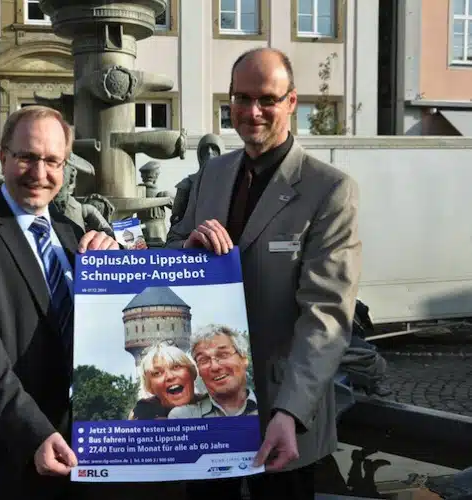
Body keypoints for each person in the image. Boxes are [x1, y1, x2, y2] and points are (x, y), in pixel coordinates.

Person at [166, 48, 361, 500]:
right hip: (210, 416)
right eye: (242, 97)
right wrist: (186, 249)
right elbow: (172, 249)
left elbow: (327, 317)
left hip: (285, 416)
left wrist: (291, 412)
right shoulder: (211, 175)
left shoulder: (328, 190)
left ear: (292, 102)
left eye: (267, 99)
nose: (253, 111)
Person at [0, 105, 119, 500]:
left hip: (80, 446)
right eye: (27, 158)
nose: (39, 174)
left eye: (52, 161)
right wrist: (35, 431)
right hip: (8, 453)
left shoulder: (73, 235)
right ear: (3, 157)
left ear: (65, 167)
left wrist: (115, 266)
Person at [168, 325, 257, 419]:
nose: (215, 366)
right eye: (203, 360)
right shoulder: (183, 417)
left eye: (223, 354)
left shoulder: (270, 406)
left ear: (244, 359)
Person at [129, 342, 198, 420]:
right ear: (149, 387)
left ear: (193, 372)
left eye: (176, 367)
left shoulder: (212, 404)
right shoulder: (143, 414)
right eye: (157, 373)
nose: (170, 376)